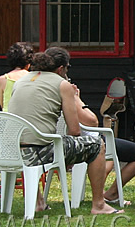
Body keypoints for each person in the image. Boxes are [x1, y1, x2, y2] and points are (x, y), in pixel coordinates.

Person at [7, 47, 122, 215]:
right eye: (68, 68)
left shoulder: (20, 82)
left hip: (12, 151)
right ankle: (99, 204)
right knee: (98, 145)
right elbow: (74, 130)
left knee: (35, 139)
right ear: (61, 69)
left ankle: (38, 202)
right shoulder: (62, 85)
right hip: (40, 152)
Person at [70, 83, 135, 205]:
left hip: (75, 141)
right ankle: (111, 193)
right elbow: (92, 122)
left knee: (111, 150)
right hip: (90, 141)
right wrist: (77, 98)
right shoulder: (67, 95)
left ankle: (105, 192)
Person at [0, 42, 33, 111]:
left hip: (9, 119)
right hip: (26, 120)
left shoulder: (2, 79)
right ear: (29, 61)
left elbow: (3, 105)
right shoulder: (34, 78)